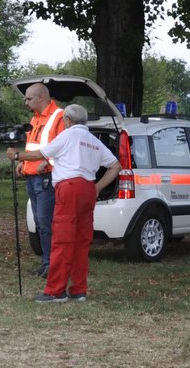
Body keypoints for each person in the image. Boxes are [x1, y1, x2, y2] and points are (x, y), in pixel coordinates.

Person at [9, 103, 117, 303]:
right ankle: (78, 289)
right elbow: (115, 166)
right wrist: (97, 187)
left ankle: (55, 290)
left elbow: (40, 154)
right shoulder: (93, 140)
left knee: (62, 239)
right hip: (87, 188)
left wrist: (17, 155)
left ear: (67, 120)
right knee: (81, 241)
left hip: (69, 188)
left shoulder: (68, 136)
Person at [11, 80, 65, 277]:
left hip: (46, 178)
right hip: (32, 177)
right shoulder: (36, 118)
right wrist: (22, 163)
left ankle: (52, 265)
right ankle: (46, 263)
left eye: (29, 98)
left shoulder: (58, 116)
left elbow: (62, 146)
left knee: (46, 224)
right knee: (41, 225)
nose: (26, 102)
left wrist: (49, 163)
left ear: (41, 98)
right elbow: (33, 146)